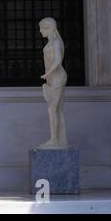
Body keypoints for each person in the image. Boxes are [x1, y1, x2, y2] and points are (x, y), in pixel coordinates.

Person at [38, 17, 70, 149]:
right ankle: (62, 140)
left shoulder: (56, 42)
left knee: (52, 110)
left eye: (41, 28)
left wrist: (48, 73)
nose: (40, 31)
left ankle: (54, 140)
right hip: (54, 78)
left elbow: (57, 61)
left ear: (48, 28)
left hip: (57, 78)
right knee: (58, 110)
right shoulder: (53, 41)